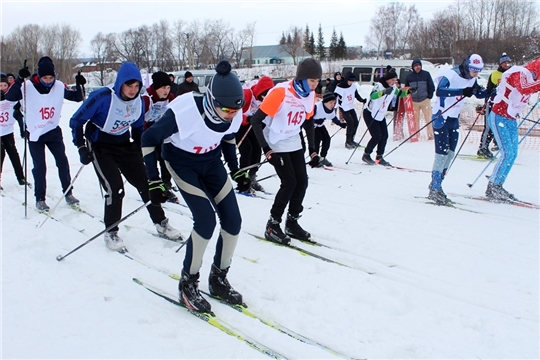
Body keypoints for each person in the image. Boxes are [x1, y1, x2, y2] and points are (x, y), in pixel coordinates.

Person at [141, 60, 247, 313]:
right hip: (181, 163)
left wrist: (237, 169)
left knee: (233, 221)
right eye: (226, 110)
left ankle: (218, 278)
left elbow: (229, 137)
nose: (231, 115)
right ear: (211, 100)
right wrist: (154, 180)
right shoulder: (184, 110)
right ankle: (188, 283)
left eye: (235, 110)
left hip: (211, 163)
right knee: (205, 221)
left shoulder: (233, 109)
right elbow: (148, 138)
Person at [69, 62, 182, 251]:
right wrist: (81, 146)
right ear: (120, 83)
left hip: (123, 143)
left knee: (147, 184)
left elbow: (137, 128)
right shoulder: (103, 97)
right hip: (100, 145)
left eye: (137, 86)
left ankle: (161, 222)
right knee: (116, 188)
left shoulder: (138, 101)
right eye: (129, 86)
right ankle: (111, 232)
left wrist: (141, 150)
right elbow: (76, 121)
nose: (133, 90)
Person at [250, 58, 322, 245]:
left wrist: (313, 150)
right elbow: (256, 121)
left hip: (292, 139)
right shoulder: (281, 92)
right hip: (274, 140)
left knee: (302, 182)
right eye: (311, 81)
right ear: (302, 78)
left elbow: (308, 122)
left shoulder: (310, 95)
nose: (314, 85)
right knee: (289, 182)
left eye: (317, 81)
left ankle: (292, 222)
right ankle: (272, 224)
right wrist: (267, 150)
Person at [5, 56, 84, 211]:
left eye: (51, 77)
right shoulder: (27, 86)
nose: (48, 81)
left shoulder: (59, 86)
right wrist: (20, 79)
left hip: (53, 130)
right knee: (39, 166)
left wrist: (80, 84)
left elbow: (77, 97)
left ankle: (68, 193)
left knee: (62, 161)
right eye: (45, 78)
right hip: (35, 133)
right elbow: (9, 97)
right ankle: (40, 198)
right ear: (39, 76)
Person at [427, 54, 489, 205]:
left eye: (478, 71)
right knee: (441, 154)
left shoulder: (472, 78)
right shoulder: (450, 74)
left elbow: (476, 92)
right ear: (467, 66)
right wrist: (462, 91)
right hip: (441, 116)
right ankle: (435, 188)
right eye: (473, 70)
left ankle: (437, 184)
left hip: (454, 118)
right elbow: (440, 91)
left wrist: (492, 91)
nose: (475, 74)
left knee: (450, 154)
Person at [485, 57, 540, 201]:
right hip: (499, 116)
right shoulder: (519, 73)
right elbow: (524, 87)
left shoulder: (532, 78)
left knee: (513, 153)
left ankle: (499, 184)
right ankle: (493, 186)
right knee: (506, 152)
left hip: (510, 118)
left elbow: (531, 89)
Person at [142, 71, 178, 203]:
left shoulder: (171, 97)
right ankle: (154, 183)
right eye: (163, 88)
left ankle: (166, 183)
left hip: (163, 131)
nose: (166, 91)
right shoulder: (147, 99)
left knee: (165, 157)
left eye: (168, 87)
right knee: (151, 159)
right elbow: (140, 120)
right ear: (156, 87)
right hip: (147, 132)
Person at [361, 69, 410, 166]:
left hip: (380, 113)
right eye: (392, 80)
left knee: (384, 136)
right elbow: (373, 96)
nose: (393, 82)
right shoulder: (379, 86)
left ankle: (379, 156)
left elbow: (400, 93)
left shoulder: (393, 87)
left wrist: (409, 92)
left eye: (395, 80)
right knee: (377, 136)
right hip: (370, 113)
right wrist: (383, 92)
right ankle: (366, 154)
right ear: (387, 79)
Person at [237, 75, 274, 193]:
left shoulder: (267, 98)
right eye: (263, 96)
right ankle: (242, 179)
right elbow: (235, 113)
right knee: (247, 149)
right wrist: (246, 119)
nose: (264, 99)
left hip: (252, 124)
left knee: (257, 147)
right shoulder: (247, 94)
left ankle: (252, 176)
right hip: (239, 125)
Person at [477, 53, 512, 159]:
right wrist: (486, 101)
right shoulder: (494, 74)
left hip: (505, 105)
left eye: (508, 62)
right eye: (504, 62)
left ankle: (499, 145)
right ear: (500, 64)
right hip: (492, 103)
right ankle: (483, 148)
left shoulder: (512, 74)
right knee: (489, 126)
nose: (506, 64)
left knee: (501, 126)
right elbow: (488, 90)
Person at [0, 73, 27, 190]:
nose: (2, 88)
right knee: (0, 155)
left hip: (7, 131)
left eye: (4, 85)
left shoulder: (11, 98)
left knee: (13, 154)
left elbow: (21, 107)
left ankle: (21, 177)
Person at [310, 92, 346, 167]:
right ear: (325, 102)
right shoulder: (316, 107)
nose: (332, 105)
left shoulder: (330, 109)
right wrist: (315, 121)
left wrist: (340, 124)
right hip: (311, 126)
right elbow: (307, 118)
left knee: (327, 139)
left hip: (320, 125)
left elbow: (333, 117)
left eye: (334, 103)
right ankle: (314, 159)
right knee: (317, 138)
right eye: (330, 103)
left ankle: (322, 157)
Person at [405, 58, 435, 140]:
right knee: (415, 120)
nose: (417, 67)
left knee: (428, 119)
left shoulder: (426, 74)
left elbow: (431, 86)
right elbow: (406, 89)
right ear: (413, 67)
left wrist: (429, 96)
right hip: (414, 101)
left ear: (421, 66)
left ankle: (430, 135)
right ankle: (416, 135)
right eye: (415, 66)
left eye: (418, 65)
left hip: (425, 100)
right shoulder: (409, 77)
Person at [334, 72, 366, 149]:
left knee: (356, 122)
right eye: (350, 81)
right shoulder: (340, 87)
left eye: (352, 81)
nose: (351, 82)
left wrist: (362, 100)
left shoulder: (353, 86)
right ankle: (348, 141)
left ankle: (352, 140)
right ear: (346, 79)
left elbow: (356, 95)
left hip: (350, 107)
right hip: (344, 107)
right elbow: (334, 96)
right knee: (350, 122)